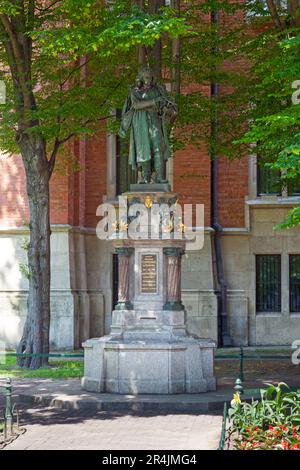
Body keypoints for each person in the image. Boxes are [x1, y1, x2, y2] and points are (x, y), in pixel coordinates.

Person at [119, 67, 177, 184]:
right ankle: (146, 178)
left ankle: (159, 177)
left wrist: (165, 107)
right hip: (141, 123)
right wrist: (154, 101)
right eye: (146, 77)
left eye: (150, 77)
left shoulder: (158, 89)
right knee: (143, 150)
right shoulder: (135, 91)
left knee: (158, 149)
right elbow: (135, 105)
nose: (148, 80)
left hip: (155, 121)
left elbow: (166, 105)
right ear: (140, 78)